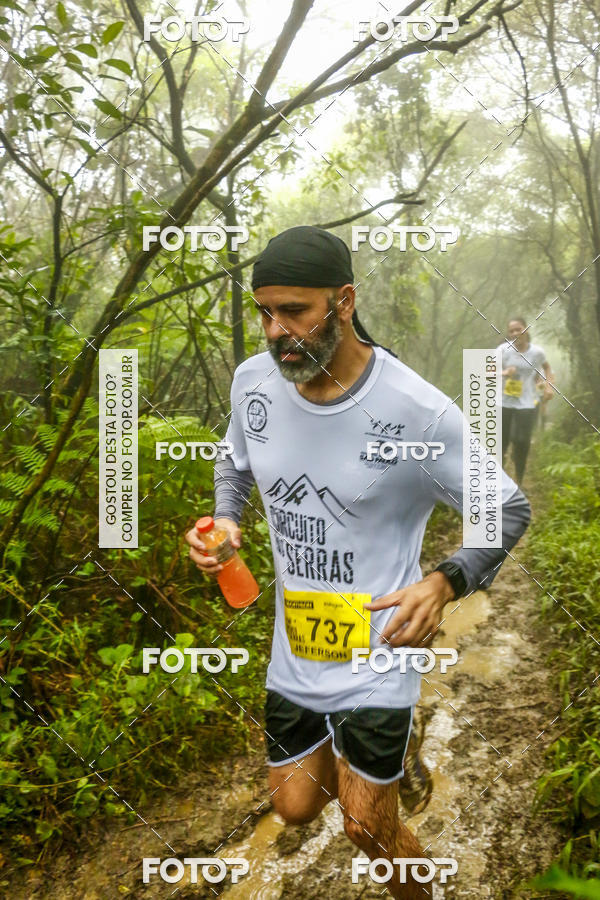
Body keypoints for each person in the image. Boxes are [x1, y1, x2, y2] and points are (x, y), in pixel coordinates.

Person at [186, 226, 531, 898]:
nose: (276, 332)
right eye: (265, 313)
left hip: (382, 647)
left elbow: (506, 507)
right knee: (293, 805)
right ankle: (398, 754)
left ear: (344, 302)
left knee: (367, 827)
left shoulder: (415, 411)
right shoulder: (254, 382)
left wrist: (444, 581)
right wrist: (226, 518)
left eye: (294, 312)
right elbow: (235, 458)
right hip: (296, 648)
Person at [500, 318, 554, 485]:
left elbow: (547, 368)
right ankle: (499, 480)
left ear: (526, 330)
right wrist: (504, 373)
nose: (515, 333)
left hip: (527, 402)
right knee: (501, 443)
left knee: (521, 441)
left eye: (519, 329)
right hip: (504, 402)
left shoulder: (537, 352)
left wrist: (549, 387)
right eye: (512, 331)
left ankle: (519, 481)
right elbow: (488, 371)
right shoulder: (503, 350)